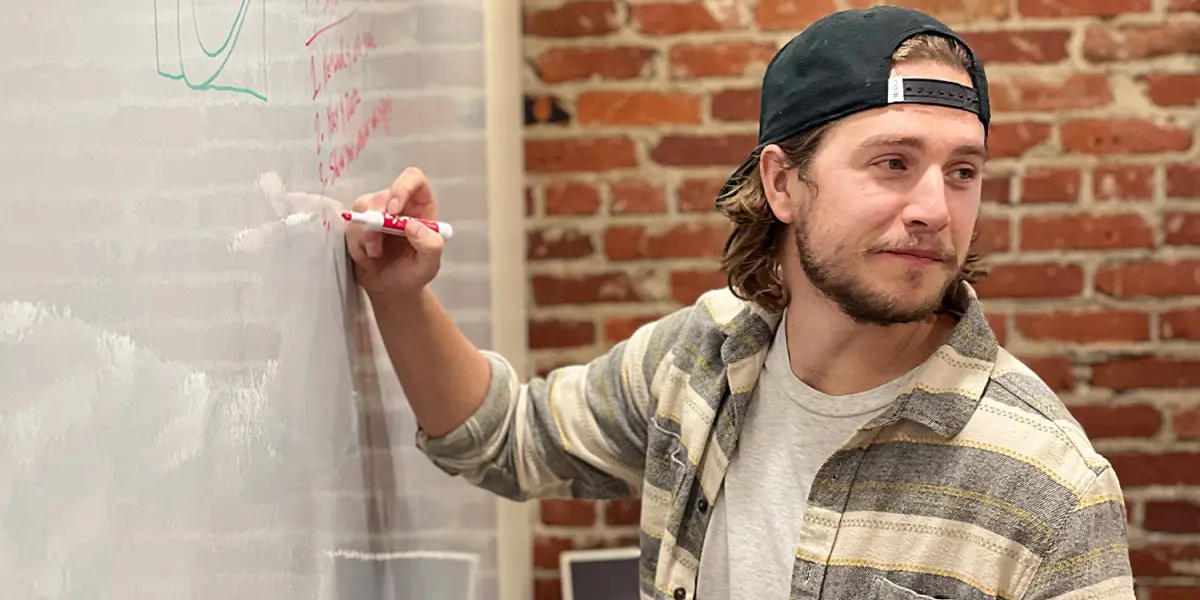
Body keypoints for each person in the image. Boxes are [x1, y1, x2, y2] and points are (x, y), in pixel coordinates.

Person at [345, 6, 1134, 600]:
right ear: (784, 183)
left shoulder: (1052, 485)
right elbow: (506, 438)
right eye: (893, 163)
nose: (935, 206)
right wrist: (400, 297)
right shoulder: (702, 360)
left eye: (963, 172)